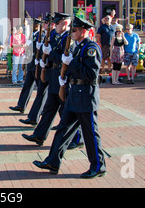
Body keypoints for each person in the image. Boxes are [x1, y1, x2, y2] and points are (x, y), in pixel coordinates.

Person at [33, 17, 106, 179]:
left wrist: (71, 63)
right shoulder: (79, 47)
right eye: (72, 30)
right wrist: (64, 78)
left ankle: (98, 165)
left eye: (75, 30)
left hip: (86, 96)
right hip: (75, 94)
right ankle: (53, 161)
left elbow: (91, 74)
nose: (72, 33)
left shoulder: (90, 48)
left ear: (84, 32)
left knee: (90, 133)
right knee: (62, 129)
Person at [22, 13, 73, 147]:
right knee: (49, 108)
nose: (54, 25)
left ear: (65, 24)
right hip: (54, 74)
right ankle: (39, 135)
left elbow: (65, 57)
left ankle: (77, 139)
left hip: (62, 77)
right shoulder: (59, 37)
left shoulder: (68, 38)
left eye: (57, 23)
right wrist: (45, 61)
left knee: (67, 111)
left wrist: (50, 54)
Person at [9, 18, 44, 113]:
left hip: (37, 64)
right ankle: (21, 105)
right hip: (30, 63)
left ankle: (42, 110)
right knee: (27, 85)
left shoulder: (42, 35)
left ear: (37, 25)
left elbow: (41, 50)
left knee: (41, 89)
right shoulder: (31, 35)